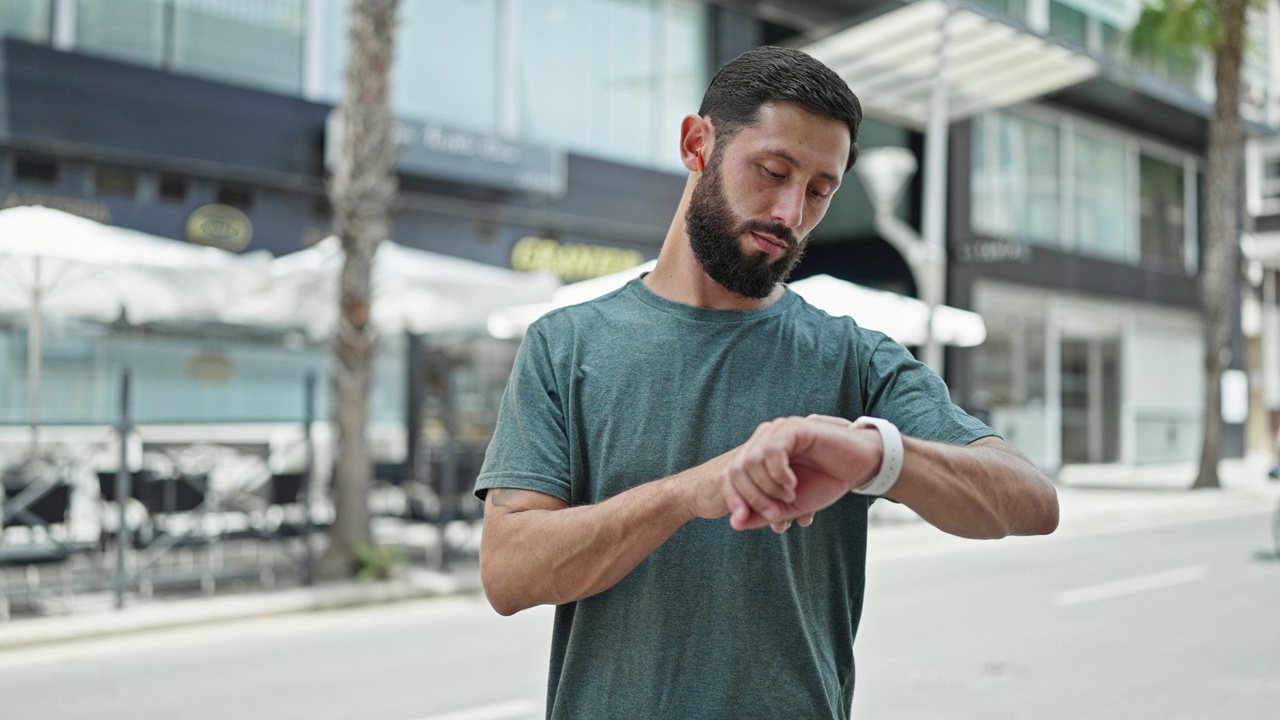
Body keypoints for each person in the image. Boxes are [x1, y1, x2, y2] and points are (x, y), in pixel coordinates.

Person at [474, 45, 1059, 719]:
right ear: (698, 144)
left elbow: (1031, 501)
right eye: (772, 171)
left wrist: (878, 454)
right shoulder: (567, 344)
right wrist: (688, 493)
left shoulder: (853, 357)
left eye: (819, 191)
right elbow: (509, 572)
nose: (790, 213)